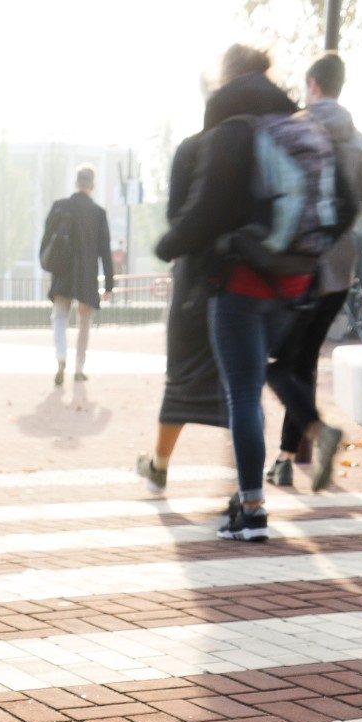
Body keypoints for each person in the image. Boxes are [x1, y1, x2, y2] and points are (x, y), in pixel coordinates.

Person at [155, 45, 301, 541]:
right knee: (250, 392)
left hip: (236, 280)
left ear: (227, 78)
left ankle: (252, 507)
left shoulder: (228, 128)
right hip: (286, 284)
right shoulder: (290, 124)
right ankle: (245, 491)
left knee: (240, 394)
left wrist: (170, 245)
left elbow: (202, 212)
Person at [264, 51, 362, 492]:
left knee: (278, 362)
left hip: (298, 265)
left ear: (313, 85)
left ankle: (309, 440)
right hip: (339, 268)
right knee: (302, 361)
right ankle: (286, 457)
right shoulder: (360, 142)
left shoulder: (296, 128)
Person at [135, 122, 227, 492]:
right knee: (240, 386)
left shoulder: (193, 147)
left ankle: (159, 465)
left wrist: (172, 245)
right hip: (244, 276)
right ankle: (246, 486)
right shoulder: (260, 140)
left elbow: (177, 215)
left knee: (182, 376)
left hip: (195, 277)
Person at [41, 167, 115, 386]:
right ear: (92, 185)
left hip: (63, 272)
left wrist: (48, 263)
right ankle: (79, 367)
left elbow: (47, 238)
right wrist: (109, 283)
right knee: (84, 321)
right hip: (87, 275)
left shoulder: (60, 206)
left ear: (76, 183)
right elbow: (105, 251)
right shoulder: (98, 213)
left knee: (60, 316)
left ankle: (61, 357)